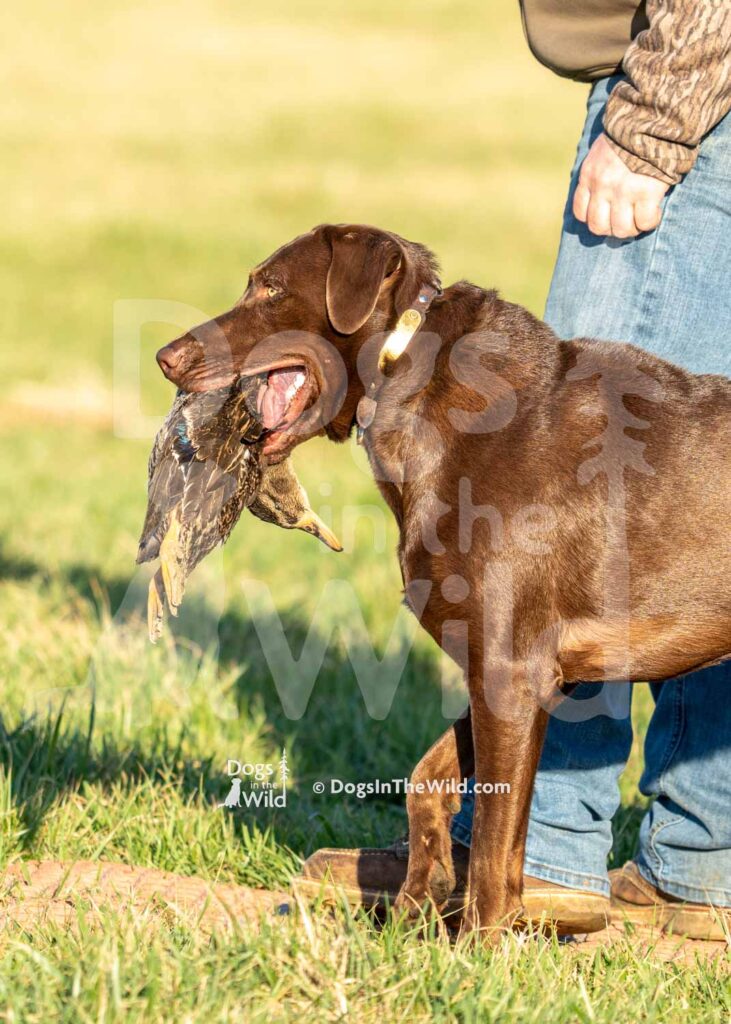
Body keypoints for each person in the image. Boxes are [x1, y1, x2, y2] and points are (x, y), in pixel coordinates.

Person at [296, 0, 731, 939]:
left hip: (685, 97)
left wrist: (651, 124)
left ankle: (546, 855)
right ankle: (697, 865)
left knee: (573, 526)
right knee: (694, 505)